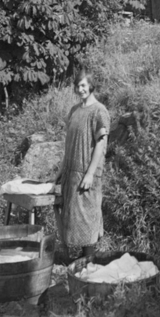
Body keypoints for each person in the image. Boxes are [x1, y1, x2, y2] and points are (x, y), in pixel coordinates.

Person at [56, 69, 110, 262]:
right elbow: (69, 144)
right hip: (71, 173)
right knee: (73, 217)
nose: (80, 89)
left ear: (91, 86)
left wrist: (89, 174)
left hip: (87, 173)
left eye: (83, 85)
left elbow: (101, 144)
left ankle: (89, 262)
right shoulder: (74, 110)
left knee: (88, 218)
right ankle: (76, 262)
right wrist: (61, 170)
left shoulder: (99, 111)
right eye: (77, 86)